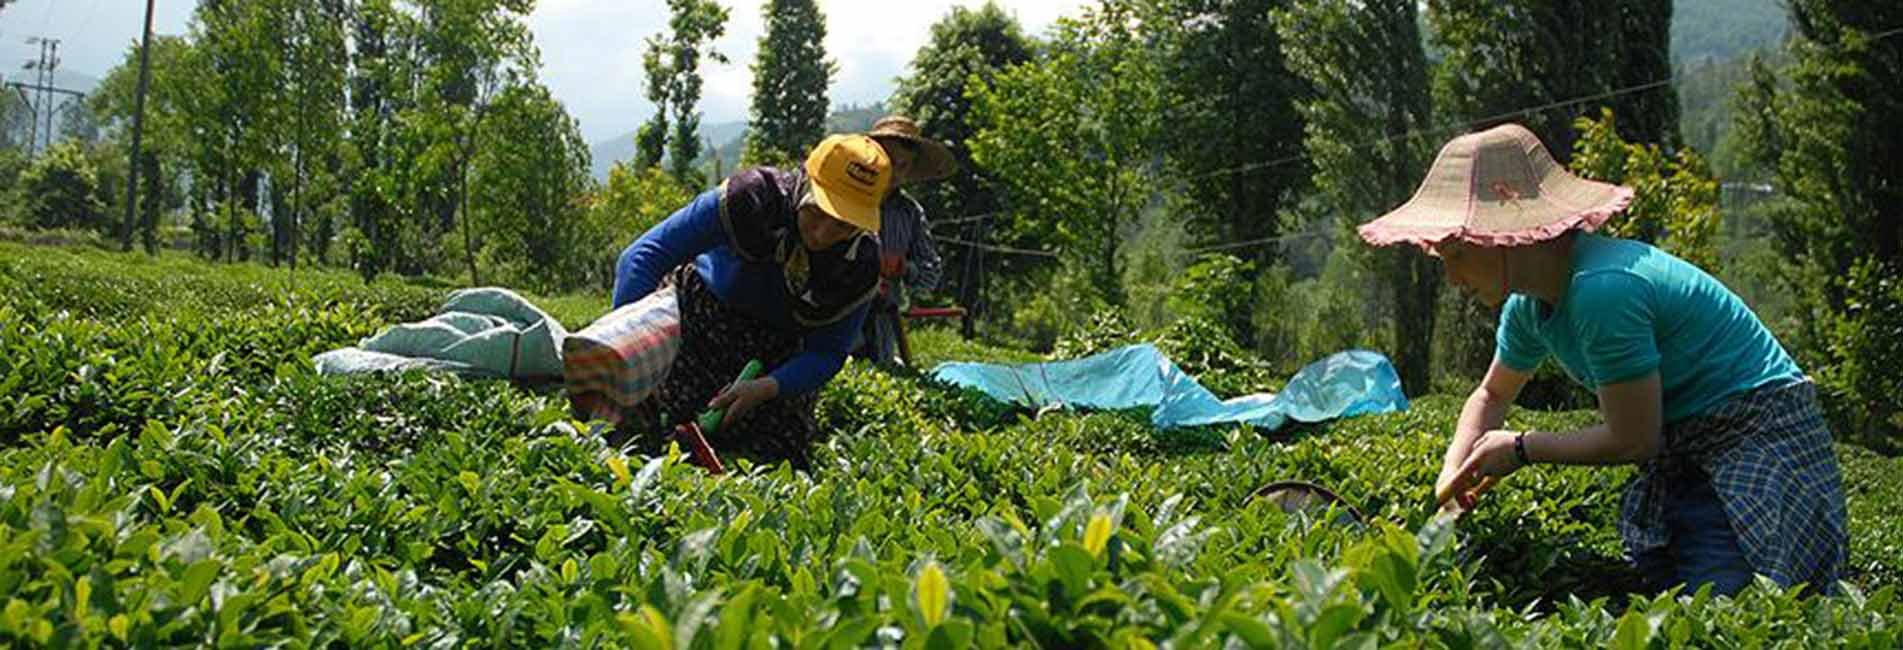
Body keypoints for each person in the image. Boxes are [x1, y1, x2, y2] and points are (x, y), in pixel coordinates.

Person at [1359, 123, 1846, 596]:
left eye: (1457, 254)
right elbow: (1491, 393)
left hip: (1755, 439)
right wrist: (1453, 472)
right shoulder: (1528, 307)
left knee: (1727, 602)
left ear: (1501, 237)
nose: (1452, 277)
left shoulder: (1602, 290)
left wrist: (1521, 448)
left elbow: (1633, 438)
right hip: (1684, 449)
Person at [607, 134, 890, 468]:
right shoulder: (751, 198)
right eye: (817, 213)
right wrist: (629, 354)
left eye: (844, 226)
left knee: (777, 452)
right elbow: (643, 257)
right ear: (805, 182)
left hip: (777, 353)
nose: (823, 235)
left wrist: (768, 387)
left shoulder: (861, 264)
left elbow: (827, 351)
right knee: (658, 420)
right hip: (701, 318)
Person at [854, 115, 957, 366]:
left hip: (884, 321)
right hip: (838, 313)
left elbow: (931, 273)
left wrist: (905, 268)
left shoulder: (909, 212)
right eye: (888, 160)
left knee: (881, 376)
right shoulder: (849, 199)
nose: (893, 171)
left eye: (902, 165)